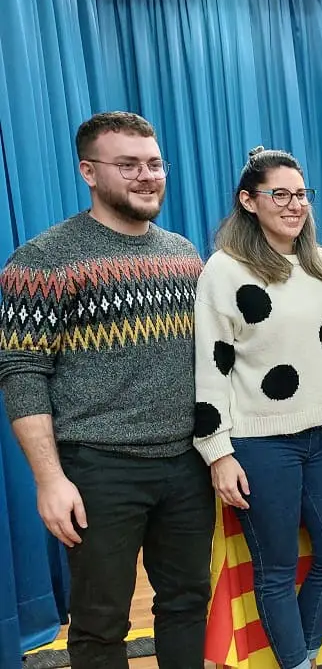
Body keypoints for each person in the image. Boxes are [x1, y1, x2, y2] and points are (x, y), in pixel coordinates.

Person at [0, 111, 213, 668]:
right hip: (98, 468)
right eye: (128, 165)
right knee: (100, 623)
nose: (147, 176)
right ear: (89, 172)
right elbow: (21, 371)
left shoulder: (183, 254)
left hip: (186, 463)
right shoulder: (43, 259)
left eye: (154, 163)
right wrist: (50, 480)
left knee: (189, 604)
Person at [193, 147, 322, 669]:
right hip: (260, 443)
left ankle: (302, 654)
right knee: (277, 568)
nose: (295, 205)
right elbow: (211, 365)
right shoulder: (224, 270)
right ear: (248, 201)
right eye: (280, 194)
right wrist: (218, 452)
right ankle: (299, 663)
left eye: (301, 194)